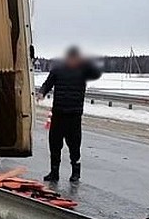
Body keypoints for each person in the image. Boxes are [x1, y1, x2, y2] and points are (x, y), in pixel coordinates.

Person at [37, 46, 103, 182]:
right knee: (55, 145)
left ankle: (75, 172)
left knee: (74, 146)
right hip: (58, 114)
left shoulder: (84, 71)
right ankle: (54, 172)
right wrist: (42, 92)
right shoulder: (58, 69)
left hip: (74, 115)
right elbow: (48, 83)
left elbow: (96, 73)